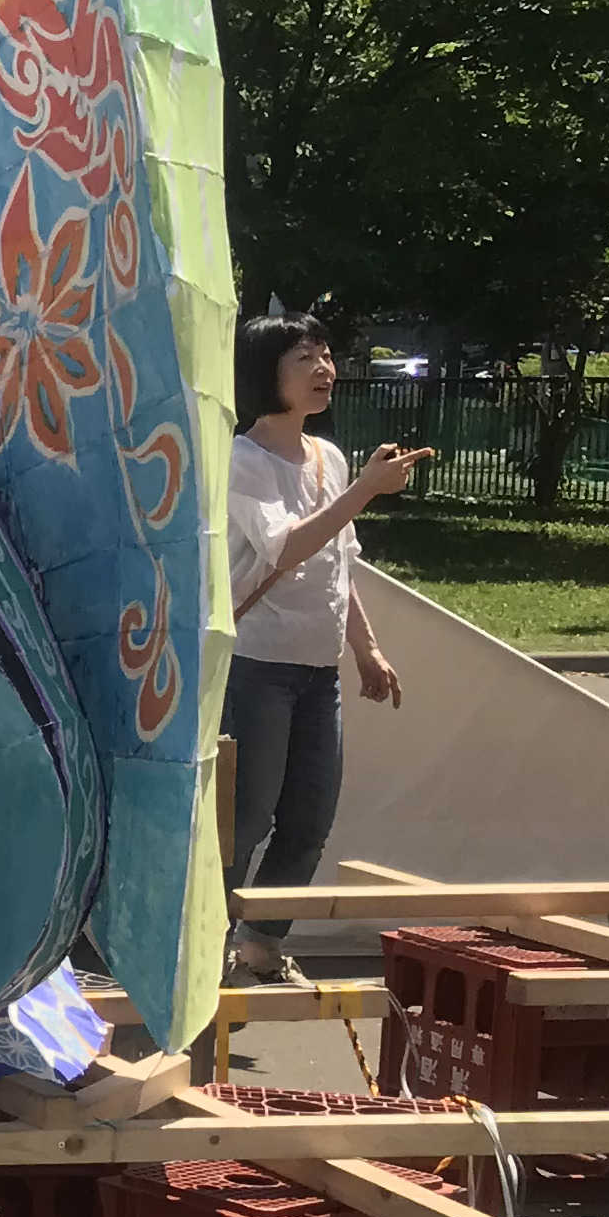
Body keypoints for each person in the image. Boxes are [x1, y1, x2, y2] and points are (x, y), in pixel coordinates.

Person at [220, 309, 428, 982]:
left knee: (309, 821)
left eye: (327, 355)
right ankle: (205, 948)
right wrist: (366, 489)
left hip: (319, 671)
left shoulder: (329, 457)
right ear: (266, 373)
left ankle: (260, 945)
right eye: (304, 358)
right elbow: (285, 547)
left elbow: (339, 561)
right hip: (256, 665)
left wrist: (367, 649)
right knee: (244, 820)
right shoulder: (242, 458)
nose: (324, 370)